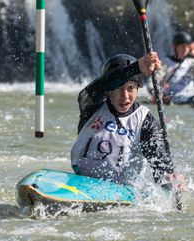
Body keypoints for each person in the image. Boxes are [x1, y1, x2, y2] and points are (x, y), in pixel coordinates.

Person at [71, 52, 181, 190]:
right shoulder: (91, 105)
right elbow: (98, 86)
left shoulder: (145, 121)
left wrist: (169, 177)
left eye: (131, 88)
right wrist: (136, 68)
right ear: (108, 89)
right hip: (79, 181)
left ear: (138, 88)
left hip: (121, 190)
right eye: (118, 88)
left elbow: (157, 157)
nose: (125, 96)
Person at [157, 30, 194, 105]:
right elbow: (154, 79)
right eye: (182, 46)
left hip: (191, 95)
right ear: (174, 46)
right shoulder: (165, 62)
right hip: (174, 98)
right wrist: (158, 93)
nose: (185, 49)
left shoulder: (191, 62)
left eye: (188, 46)